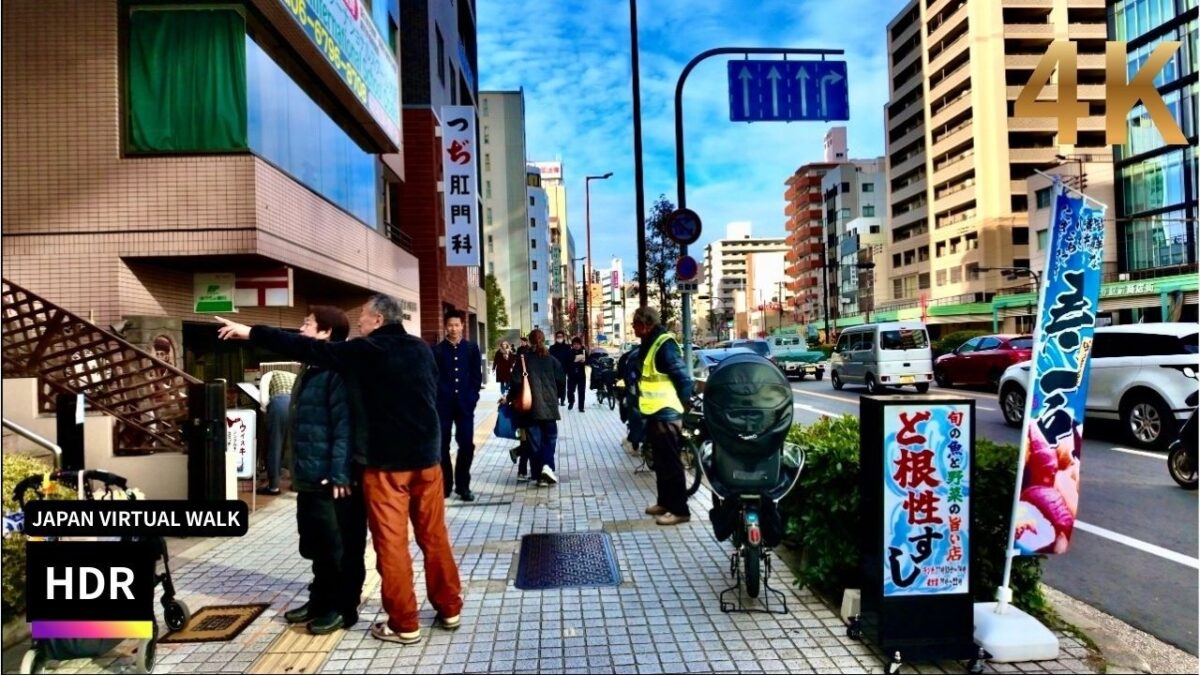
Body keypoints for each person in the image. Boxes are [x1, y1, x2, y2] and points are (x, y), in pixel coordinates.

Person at [216, 295, 463, 646]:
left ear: (378, 319)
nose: (359, 322)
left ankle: (405, 623)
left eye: (363, 316)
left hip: (385, 466)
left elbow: (305, 347)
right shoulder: (421, 349)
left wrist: (250, 331)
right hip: (428, 461)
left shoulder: (366, 351)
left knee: (391, 545)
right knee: (434, 537)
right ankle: (449, 606)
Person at [280, 307, 367, 635]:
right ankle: (319, 599)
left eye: (307, 323)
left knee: (337, 547)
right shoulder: (310, 367)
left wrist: (340, 473)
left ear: (326, 333)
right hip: (309, 475)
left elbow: (345, 426)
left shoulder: (336, 371)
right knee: (316, 544)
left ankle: (342, 608)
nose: (301, 327)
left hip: (332, 479)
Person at [633, 307, 694, 526]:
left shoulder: (664, 345)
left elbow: (683, 379)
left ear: (645, 324)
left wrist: (683, 406)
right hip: (655, 412)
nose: (633, 328)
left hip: (667, 413)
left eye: (635, 324)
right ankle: (664, 503)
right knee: (660, 461)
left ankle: (680, 510)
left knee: (671, 463)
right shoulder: (651, 342)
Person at [433, 311, 483, 502]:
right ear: (445, 326)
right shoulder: (437, 350)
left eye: (457, 325)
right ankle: (445, 485)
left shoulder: (471, 349)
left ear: (462, 325)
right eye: (450, 325)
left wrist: (472, 397)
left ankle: (463, 486)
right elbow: (434, 377)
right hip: (442, 406)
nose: (453, 329)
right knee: (442, 445)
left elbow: (476, 377)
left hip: (465, 405)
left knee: (466, 445)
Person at [504, 329, 565, 487]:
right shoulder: (552, 360)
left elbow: (516, 383)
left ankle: (539, 475)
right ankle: (547, 467)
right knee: (550, 439)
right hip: (550, 408)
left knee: (535, 443)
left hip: (530, 409)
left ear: (529, 342)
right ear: (544, 340)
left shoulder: (523, 360)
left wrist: (508, 398)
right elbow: (561, 381)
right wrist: (557, 397)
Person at [260, 369, 297, 496]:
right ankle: (297, 484)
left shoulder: (267, 375)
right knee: (295, 446)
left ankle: (273, 487)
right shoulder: (295, 375)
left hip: (280, 404)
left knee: (275, 445)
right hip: (298, 404)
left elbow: (264, 400)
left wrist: (265, 412)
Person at [548, 331, 573, 406]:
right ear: (556, 338)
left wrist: (569, 369)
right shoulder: (552, 348)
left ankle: (562, 400)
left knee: (562, 385)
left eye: (561, 337)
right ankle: (556, 399)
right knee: (554, 385)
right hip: (554, 369)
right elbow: (549, 358)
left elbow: (570, 359)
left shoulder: (567, 347)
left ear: (563, 337)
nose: (559, 338)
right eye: (558, 337)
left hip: (563, 369)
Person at [566, 337, 587, 412]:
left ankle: (581, 407)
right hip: (572, 375)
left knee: (581, 391)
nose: (576, 346)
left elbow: (586, 361)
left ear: (580, 345)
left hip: (581, 375)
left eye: (578, 344)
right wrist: (577, 359)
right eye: (574, 344)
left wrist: (583, 361)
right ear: (572, 345)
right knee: (570, 391)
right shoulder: (569, 352)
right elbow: (569, 361)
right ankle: (571, 402)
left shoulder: (584, 351)